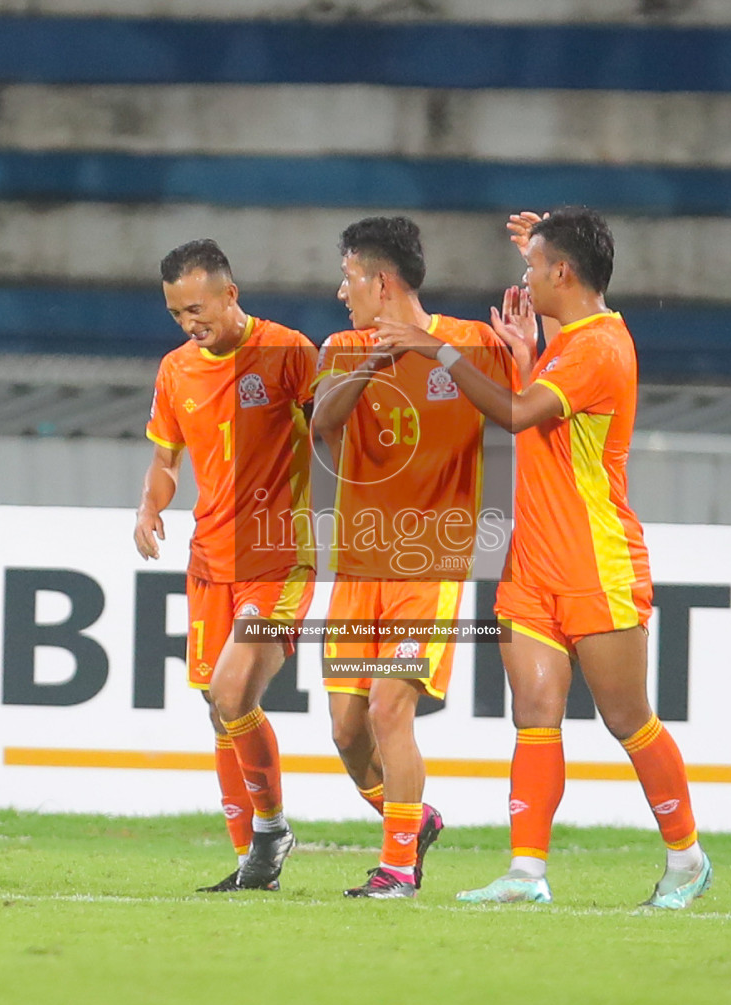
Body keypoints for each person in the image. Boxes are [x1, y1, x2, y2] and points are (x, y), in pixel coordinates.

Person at [372, 207, 712, 909]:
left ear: (563, 273)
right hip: (534, 562)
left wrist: (438, 350)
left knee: (627, 719)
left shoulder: (599, 347)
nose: (524, 279)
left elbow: (520, 414)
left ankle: (687, 861)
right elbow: (543, 404)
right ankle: (527, 873)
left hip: (596, 561)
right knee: (534, 712)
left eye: (533, 266)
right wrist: (528, 349)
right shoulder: (572, 340)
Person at [312, 216, 527, 898]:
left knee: (386, 710)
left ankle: (398, 869)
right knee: (348, 733)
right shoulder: (343, 346)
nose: (342, 291)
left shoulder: (467, 343)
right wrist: (372, 365)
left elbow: (524, 402)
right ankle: (414, 820)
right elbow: (321, 423)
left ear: (381, 281)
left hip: (430, 568)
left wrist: (435, 350)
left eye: (349, 278)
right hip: (359, 566)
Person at [137, 239, 318, 892]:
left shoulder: (288, 351)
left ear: (229, 294)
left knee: (233, 693)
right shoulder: (175, 370)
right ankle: (255, 862)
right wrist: (148, 507)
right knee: (219, 709)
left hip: (276, 558)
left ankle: (271, 830)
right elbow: (166, 462)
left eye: (196, 308)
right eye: (177, 314)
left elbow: (338, 434)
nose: (189, 323)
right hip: (209, 561)